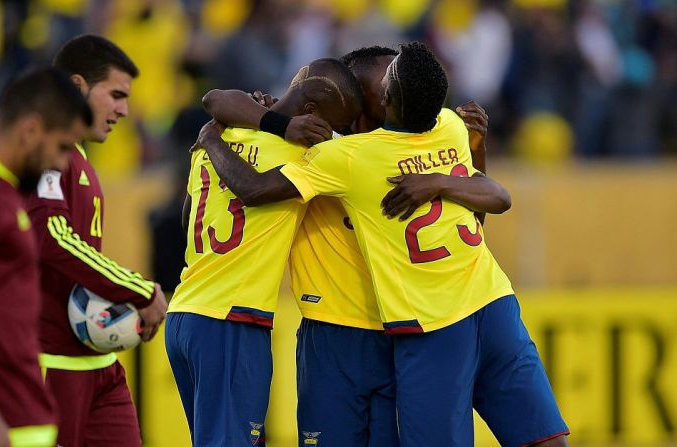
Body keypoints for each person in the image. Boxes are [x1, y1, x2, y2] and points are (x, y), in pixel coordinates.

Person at [196, 41, 569, 447]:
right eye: (380, 84)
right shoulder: (436, 127)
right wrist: (275, 119)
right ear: (357, 101)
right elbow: (491, 202)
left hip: (402, 330)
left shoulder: (345, 156)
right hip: (341, 330)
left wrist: (251, 125)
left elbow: (226, 121)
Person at [165, 57, 363, 447]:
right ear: (311, 114)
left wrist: (216, 138)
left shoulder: (221, 133)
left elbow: (188, 219)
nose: (335, 135)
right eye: (335, 125)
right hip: (233, 319)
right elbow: (254, 189)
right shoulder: (305, 157)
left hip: (185, 314)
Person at [25, 35, 168, 447]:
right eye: (116, 95)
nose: (124, 109)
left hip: (98, 362)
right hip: (51, 361)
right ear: (77, 85)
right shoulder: (43, 147)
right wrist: (137, 289)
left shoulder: (80, 154)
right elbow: (52, 237)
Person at [0, 67, 92, 447]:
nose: (63, 165)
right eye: (62, 147)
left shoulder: (1, 187)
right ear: (30, 130)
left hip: (20, 421)